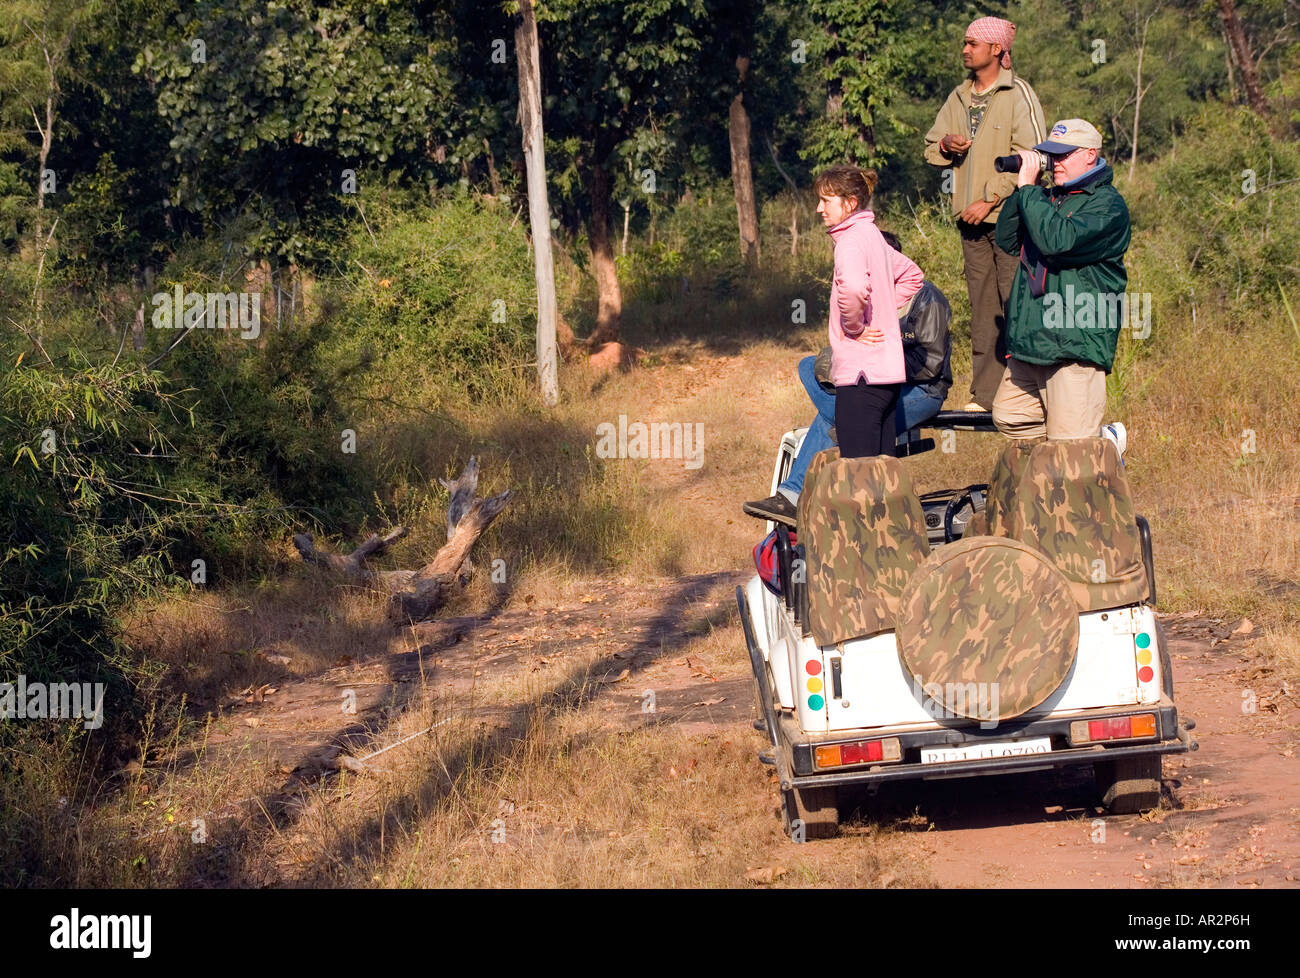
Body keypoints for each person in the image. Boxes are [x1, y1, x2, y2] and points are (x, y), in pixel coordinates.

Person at [743, 233, 952, 526]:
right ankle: (842, 425)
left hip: (921, 389)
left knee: (832, 418)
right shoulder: (863, 298)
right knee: (808, 366)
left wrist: (878, 364)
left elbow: (931, 363)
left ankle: (791, 497)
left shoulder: (926, 298)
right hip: (871, 383)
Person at [923, 16, 1045, 412]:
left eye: (973, 43)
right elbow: (929, 148)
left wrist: (991, 198)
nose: (965, 49)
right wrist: (946, 143)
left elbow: (1034, 156)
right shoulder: (958, 96)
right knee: (983, 308)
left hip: (1010, 219)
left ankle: (1030, 393)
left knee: (1018, 304)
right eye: (965, 42)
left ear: (996, 50)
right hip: (970, 222)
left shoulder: (1017, 93)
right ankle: (987, 395)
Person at [991, 119, 1131, 442]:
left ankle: (1102, 444)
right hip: (1035, 343)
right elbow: (1007, 239)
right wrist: (1025, 189)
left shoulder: (1108, 205)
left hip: (1074, 340)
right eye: (1051, 155)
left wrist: (1030, 192)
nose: (1056, 163)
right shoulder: (1050, 197)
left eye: (1064, 155)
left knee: (1071, 451)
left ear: (1091, 155)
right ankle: (1089, 437)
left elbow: (1058, 240)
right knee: (1009, 416)